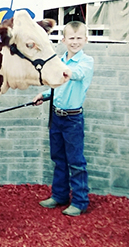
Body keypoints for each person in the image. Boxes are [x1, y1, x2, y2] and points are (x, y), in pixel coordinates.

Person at [33, 21, 94, 216]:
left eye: (79, 38)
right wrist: (44, 95)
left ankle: (80, 201)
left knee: (76, 162)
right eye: (71, 38)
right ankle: (59, 196)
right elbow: (57, 86)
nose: (75, 42)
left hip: (73, 120)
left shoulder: (86, 62)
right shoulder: (60, 60)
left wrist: (60, 71)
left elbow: (76, 75)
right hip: (56, 117)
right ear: (63, 40)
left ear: (85, 39)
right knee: (59, 159)